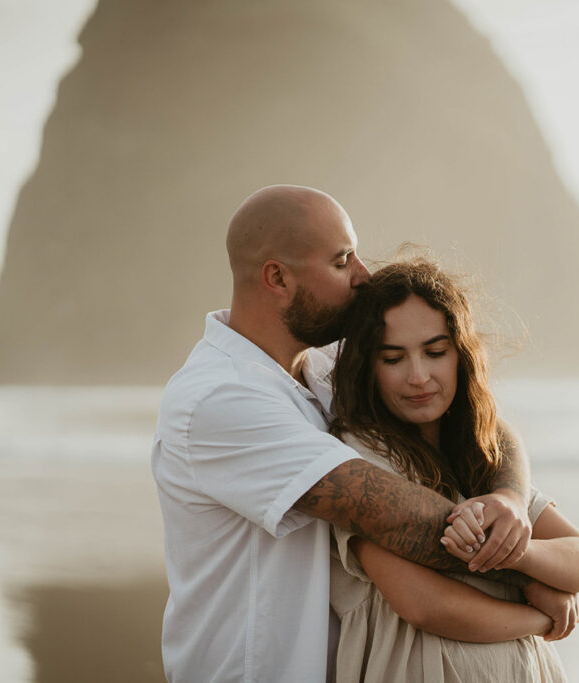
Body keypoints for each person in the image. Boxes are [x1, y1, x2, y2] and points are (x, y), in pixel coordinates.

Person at [150, 185, 545, 683]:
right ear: (277, 277)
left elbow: (475, 420)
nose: (364, 276)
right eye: (342, 261)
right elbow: (405, 522)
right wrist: (544, 577)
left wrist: (509, 497)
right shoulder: (221, 399)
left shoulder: (323, 367)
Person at [329, 259, 579, 682]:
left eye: (435, 351)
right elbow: (422, 604)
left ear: (461, 354)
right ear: (368, 367)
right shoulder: (361, 457)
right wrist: (540, 614)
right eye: (393, 358)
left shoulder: (480, 455)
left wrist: (516, 545)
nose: (418, 376)